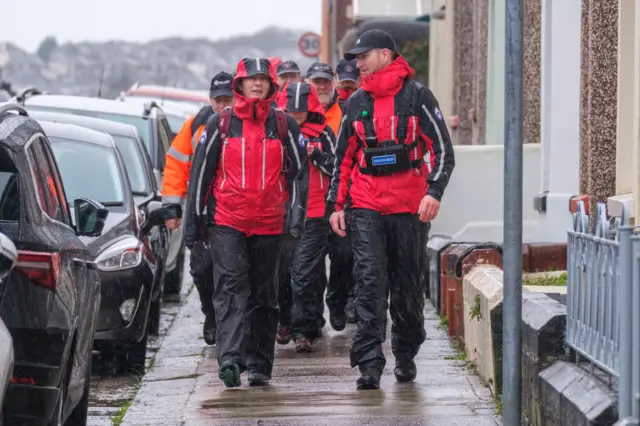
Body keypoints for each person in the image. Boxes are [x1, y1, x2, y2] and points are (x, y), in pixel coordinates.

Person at [327, 29, 455, 390]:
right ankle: (369, 363)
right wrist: (336, 206)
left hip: (410, 208)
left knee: (406, 286)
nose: (358, 63)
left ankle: (406, 351)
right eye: (356, 58)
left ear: (385, 55)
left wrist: (434, 192)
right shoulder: (355, 103)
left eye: (364, 56)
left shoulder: (418, 97)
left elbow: (444, 151)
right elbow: (343, 160)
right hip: (366, 207)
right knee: (368, 283)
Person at [184, 57, 309, 388]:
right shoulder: (220, 124)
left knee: (264, 294)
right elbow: (200, 174)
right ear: (239, 84)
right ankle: (230, 359)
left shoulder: (283, 125)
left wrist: (296, 215)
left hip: (270, 224)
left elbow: (299, 173)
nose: (257, 84)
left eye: (263, 79)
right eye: (250, 79)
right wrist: (193, 223)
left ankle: (259, 364)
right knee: (230, 288)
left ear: (271, 84)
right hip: (227, 221)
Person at [161, 71, 235, 345]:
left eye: (228, 99)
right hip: (202, 211)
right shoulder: (196, 126)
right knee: (202, 270)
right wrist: (172, 208)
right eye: (218, 100)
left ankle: (231, 326)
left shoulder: (244, 124)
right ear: (210, 100)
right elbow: (176, 167)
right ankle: (212, 314)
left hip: (233, 209)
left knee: (232, 272)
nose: (222, 106)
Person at [277, 82, 336, 352]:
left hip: (315, 213)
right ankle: (286, 321)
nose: (296, 115)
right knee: (283, 272)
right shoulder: (276, 131)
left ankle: (303, 329)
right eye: (292, 110)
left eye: (301, 110)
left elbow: (338, 167)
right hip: (283, 213)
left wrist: (317, 155)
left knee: (303, 273)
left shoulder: (324, 134)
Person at [325, 58, 360, 326]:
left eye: (352, 78)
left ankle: (347, 301)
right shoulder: (319, 111)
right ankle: (336, 303)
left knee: (346, 253)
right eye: (343, 79)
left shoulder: (357, 106)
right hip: (323, 196)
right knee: (335, 255)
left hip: (352, 193)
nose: (347, 83)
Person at [306, 62, 342, 135]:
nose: (322, 87)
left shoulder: (346, 111)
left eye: (326, 81)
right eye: (317, 82)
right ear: (307, 84)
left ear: (334, 83)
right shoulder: (299, 113)